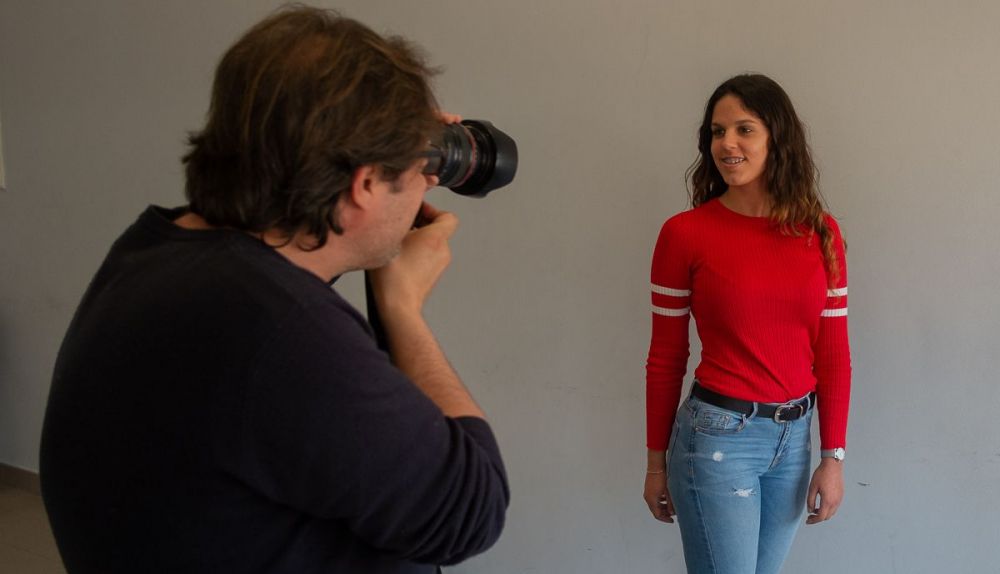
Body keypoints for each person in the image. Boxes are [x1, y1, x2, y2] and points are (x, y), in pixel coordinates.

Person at [39, 6, 508, 573]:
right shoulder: (281, 332)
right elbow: (471, 514)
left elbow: (283, 299)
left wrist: (394, 155)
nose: (425, 184)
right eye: (414, 171)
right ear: (363, 184)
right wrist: (402, 308)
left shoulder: (156, 251)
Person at [642, 73, 851, 574]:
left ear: (777, 138)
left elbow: (833, 354)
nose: (727, 144)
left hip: (794, 442)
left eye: (744, 129)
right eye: (717, 132)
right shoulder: (684, 235)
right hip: (718, 440)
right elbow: (666, 358)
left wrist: (833, 456)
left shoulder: (820, 233)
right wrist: (655, 464)